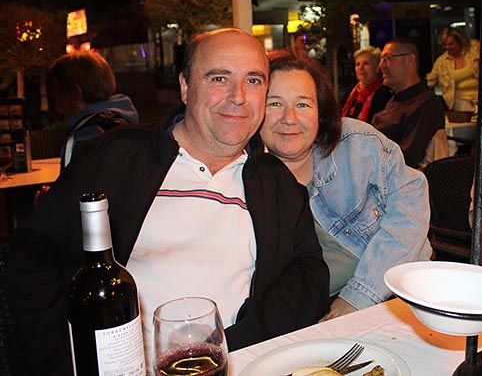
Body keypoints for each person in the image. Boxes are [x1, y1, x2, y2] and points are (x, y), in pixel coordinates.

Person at [8, 28, 329, 375]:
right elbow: (32, 256)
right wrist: (65, 360)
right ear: (185, 87)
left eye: (253, 81)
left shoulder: (277, 183)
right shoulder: (115, 158)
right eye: (219, 78)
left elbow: (308, 275)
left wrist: (236, 346)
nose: (238, 96)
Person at [261, 51, 432, 321]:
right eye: (274, 103)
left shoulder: (356, 144)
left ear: (321, 111)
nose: (289, 118)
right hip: (314, 317)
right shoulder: (245, 180)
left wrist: (357, 298)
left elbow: (410, 207)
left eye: (303, 104)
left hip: (397, 292)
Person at [48, 50, 139, 166]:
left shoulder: (84, 140)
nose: (52, 92)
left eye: (57, 87)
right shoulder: (123, 121)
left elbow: (75, 178)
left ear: (75, 93)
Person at [371, 37, 447, 168]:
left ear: (410, 60)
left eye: (388, 58)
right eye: (381, 59)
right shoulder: (396, 98)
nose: (381, 65)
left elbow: (407, 158)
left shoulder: (425, 103)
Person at [426, 27, 479, 112]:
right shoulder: (442, 62)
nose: (447, 47)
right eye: (444, 45)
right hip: (460, 103)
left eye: (451, 44)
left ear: (460, 41)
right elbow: (430, 81)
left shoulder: (475, 48)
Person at [341, 46, 391, 123]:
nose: (360, 68)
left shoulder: (385, 93)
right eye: (357, 64)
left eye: (366, 64)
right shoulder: (351, 91)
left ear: (377, 68)